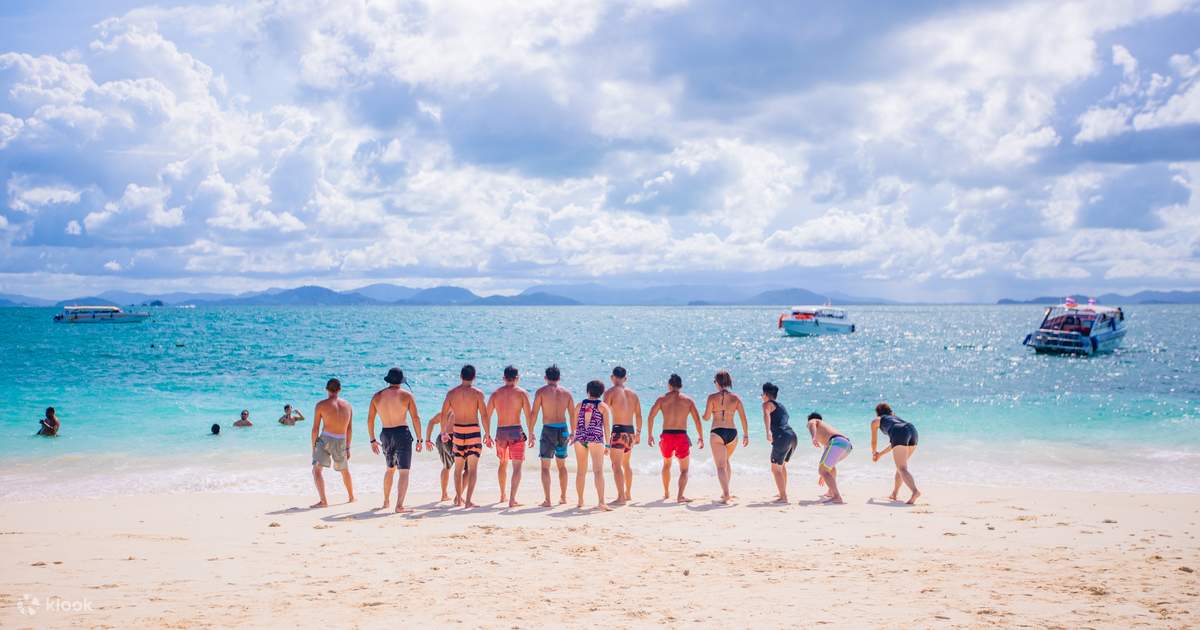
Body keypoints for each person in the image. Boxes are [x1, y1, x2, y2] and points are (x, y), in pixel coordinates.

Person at [367, 368, 423, 513]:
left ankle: (386, 501)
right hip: (401, 433)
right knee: (404, 471)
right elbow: (415, 418)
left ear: (388, 380)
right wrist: (419, 439)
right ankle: (399, 505)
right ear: (400, 381)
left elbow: (370, 420)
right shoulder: (407, 395)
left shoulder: (377, 396)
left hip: (385, 434)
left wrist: (372, 440)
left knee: (389, 469)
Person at [646, 374, 704, 503]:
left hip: (666, 435)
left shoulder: (662, 399)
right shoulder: (688, 401)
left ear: (669, 385)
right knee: (684, 470)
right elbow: (697, 420)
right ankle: (680, 496)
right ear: (681, 386)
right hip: (681, 436)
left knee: (667, 464)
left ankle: (666, 492)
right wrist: (701, 437)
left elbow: (650, 416)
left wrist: (650, 435)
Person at [439, 365, 489, 508]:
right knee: (472, 469)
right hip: (473, 431)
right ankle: (467, 501)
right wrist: (487, 433)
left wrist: (443, 431)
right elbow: (484, 415)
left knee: (458, 469)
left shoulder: (451, 393)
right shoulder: (478, 394)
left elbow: (443, 414)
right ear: (474, 377)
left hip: (458, 432)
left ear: (461, 376)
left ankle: (459, 500)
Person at [486, 365, 532, 507]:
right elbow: (528, 415)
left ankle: (502, 495)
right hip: (516, 432)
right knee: (517, 467)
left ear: (504, 378)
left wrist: (487, 434)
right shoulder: (522, 393)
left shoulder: (495, 394)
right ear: (517, 378)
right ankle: (512, 499)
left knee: (502, 463)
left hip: (501, 432)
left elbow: (486, 415)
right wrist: (531, 433)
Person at [530, 365, 574, 507]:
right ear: (559, 378)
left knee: (545, 467)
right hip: (563, 430)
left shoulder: (541, 392)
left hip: (548, 430)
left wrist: (530, 432)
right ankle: (563, 497)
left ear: (545, 378)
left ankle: (548, 500)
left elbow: (534, 413)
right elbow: (573, 414)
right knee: (562, 465)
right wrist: (573, 432)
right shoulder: (567, 393)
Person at [702, 370, 749, 504]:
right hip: (732, 432)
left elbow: (706, 417)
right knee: (726, 461)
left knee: (720, 466)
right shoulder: (736, 398)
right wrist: (746, 434)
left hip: (717, 432)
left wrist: (703, 415)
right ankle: (725, 491)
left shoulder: (711, 397)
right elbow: (743, 418)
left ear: (717, 382)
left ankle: (726, 494)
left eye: (714, 381)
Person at [311, 378, 354, 508]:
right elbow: (349, 429)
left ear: (326, 389)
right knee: (344, 470)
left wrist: (313, 446)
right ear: (340, 389)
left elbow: (315, 428)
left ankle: (323, 501)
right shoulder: (348, 406)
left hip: (325, 439)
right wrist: (347, 447)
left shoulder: (321, 405)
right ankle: (351, 497)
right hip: (341, 440)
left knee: (317, 470)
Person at [602, 366, 642, 504]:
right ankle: (628, 494)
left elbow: (604, 414)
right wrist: (638, 433)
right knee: (626, 464)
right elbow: (639, 415)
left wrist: (604, 436)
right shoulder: (634, 394)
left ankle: (621, 497)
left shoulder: (609, 393)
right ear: (625, 378)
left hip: (618, 430)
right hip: (630, 432)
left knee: (616, 465)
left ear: (612, 377)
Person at [573, 380, 613, 511]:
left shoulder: (579, 405)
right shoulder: (602, 406)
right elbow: (607, 428)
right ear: (601, 392)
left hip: (580, 438)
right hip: (595, 438)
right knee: (598, 471)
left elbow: (575, 425)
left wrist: (575, 436)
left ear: (588, 390)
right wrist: (608, 445)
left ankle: (580, 501)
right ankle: (601, 502)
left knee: (580, 471)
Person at [871, 402, 921, 504]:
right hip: (912, 430)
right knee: (901, 468)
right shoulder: (896, 419)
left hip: (900, 433)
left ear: (877, 413)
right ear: (890, 412)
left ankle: (915, 491)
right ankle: (894, 494)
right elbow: (895, 444)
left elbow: (874, 441)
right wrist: (880, 454)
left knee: (901, 468)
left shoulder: (877, 420)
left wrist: (874, 453)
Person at [761, 382, 797, 504]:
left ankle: (783, 497)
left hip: (782, 437)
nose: (761, 396)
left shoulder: (766, 404)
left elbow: (766, 416)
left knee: (775, 469)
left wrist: (768, 432)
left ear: (766, 394)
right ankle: (783, 492)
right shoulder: (781, 406)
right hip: (792, 436)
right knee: (781, 467)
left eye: (762, 394)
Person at [806, 412, 852, 504]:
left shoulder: (813, 421)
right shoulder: (826, 432)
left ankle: (837, 497)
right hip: (846, 445)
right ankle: (831, 492)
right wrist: (824, 473)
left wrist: (813, 437)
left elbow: (812, 423)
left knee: (823, 470)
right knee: (828, 468)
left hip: (837, 442)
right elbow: (828, 459)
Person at [423, 410, 457, 503]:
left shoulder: (444, 413)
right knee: (460, 467)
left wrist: (427, 439)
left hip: (441, 438)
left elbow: (431, 422)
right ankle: (458, 496)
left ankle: (444, 495)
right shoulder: (458, 411)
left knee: (446, 467)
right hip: (452, 439)